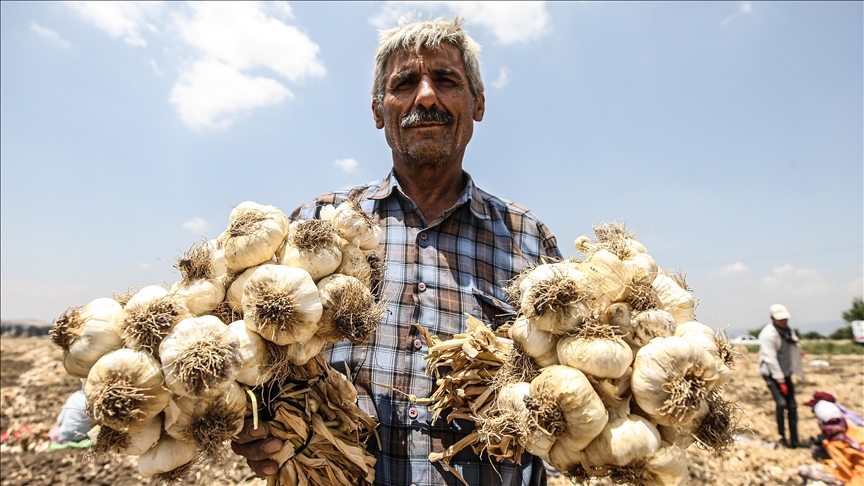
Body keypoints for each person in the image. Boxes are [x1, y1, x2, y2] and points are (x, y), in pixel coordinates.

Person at [231, 16, 561, 486]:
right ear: (378, 110)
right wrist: (256, 428)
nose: (426, 97)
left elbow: (560, 392)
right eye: (405, 83)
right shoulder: (313, 227)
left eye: (446, 80)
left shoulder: (530, 239)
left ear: (478, 104)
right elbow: (258, 368)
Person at [758, 303, 804, 448]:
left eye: (785, 319)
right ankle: (782, 437)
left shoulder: (788, 331)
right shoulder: (768, 335)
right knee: (781, 404)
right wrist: (780, 381)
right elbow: (770, 359)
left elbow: (794, 345)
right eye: (780, 319)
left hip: (785, 372)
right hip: (772, 373)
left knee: (792, 406)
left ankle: (795, 439)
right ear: (772, 318)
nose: (783, 322)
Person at [798, 400, 864, 486]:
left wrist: (828, 470)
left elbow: (846, 474)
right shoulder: (858, 430)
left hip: (859, 480)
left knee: (803, 469)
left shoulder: (834, 442)